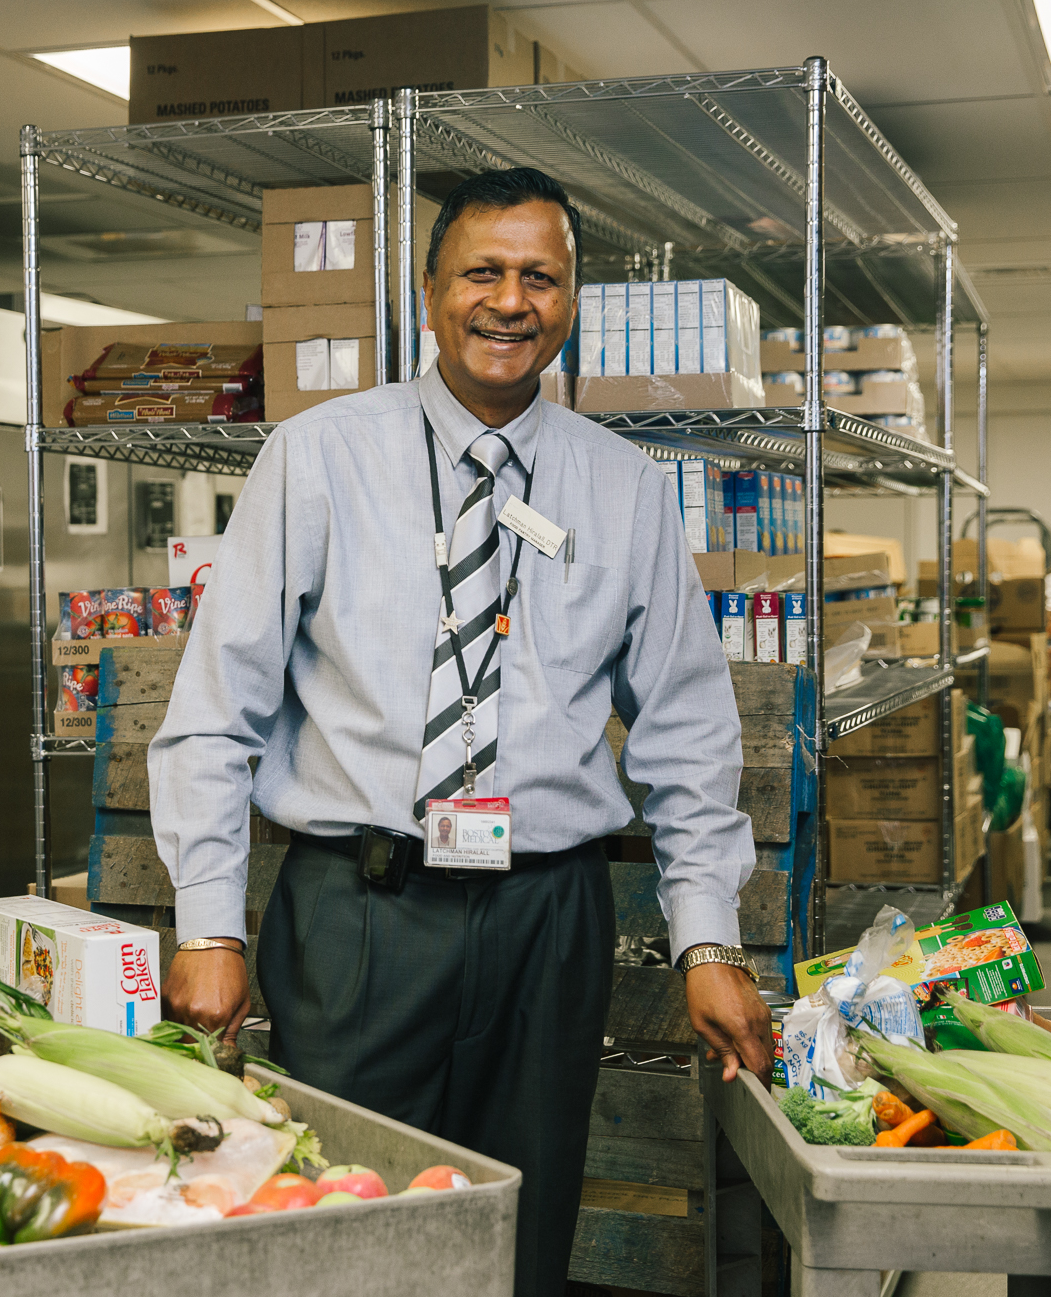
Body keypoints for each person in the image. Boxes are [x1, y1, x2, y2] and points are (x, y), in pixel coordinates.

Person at [148, 166, 771, 1294]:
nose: (510, 300)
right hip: (358, 913)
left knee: (521, 1235)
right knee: (340, 1223)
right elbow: (213, 704)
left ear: (571, 299)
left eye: (541, 275)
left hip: (548, 917)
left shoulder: (622, 486)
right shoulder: (318, 455)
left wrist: (708, 939)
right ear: (430, 293)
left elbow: (684, 725)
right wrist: (205, 921)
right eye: (482, 270)